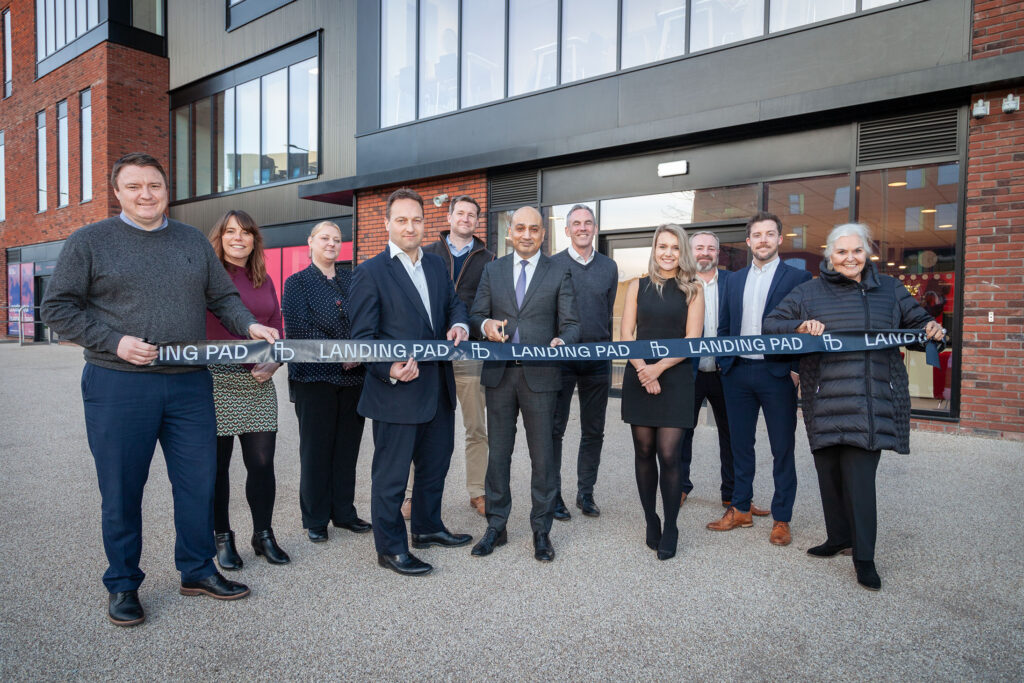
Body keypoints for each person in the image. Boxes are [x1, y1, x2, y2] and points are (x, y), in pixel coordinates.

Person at [40, 152, 280, 627]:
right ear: (118, 192)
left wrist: (249, 325)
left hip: (190, 385)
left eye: (154, 185)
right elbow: (58, 308)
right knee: (123, 489)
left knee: (197, 484)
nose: (145, 194)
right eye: (134, 186)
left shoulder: (191, 240)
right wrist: (114, 342)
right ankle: (124, 583)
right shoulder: (89, 241)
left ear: (166, 190)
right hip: (118, 384)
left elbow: (223, 298)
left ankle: (196, 570)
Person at [763, 223, 944, 590]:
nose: (850, 258)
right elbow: (771, 325)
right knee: (829, 476)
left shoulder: (890, 290)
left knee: (860, 483)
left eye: (857, 251)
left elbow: (918, 325)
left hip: (870, 400)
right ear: (830, 255)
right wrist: (800, 325)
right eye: (842, 252)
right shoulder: (809, 292)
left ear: (867, 253)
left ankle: (864, 557)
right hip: (824, 397)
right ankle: (838, 537)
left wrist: (932, 330)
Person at [349, 188, 473, 577]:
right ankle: (390, 548)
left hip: (437, 389)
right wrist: (388, 368)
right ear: (387, 224)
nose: (409, 226)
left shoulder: (437, 267)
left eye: (416, 219)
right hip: (396, 392)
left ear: (425, 223)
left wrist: (458, 323)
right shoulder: (369, 273)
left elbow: (453, 305)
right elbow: (361, 340)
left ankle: (427, 527)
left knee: (435, 466)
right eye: (401, 219)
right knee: (391, 476)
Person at [468, 206, 580, 562]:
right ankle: (496, 527)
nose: (527, 234)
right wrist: (485, 326)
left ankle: (541, 531)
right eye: (520, 228)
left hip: (541, 376)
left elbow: (572, 324)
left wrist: (563, 342)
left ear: (543, 234)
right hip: (500, 375)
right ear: (510, 232)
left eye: (534, 229)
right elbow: (476, 314)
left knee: (543, 458)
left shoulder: (558, 271)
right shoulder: (493, 269)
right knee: (498, 455)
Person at [707, 212, 811, 546]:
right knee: (740, 446)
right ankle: (740, 508)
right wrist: (726, 363)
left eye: (770, 234)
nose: (763, 240)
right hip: (737, 374)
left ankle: (782, 518)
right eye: (756, 234)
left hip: (777, 373)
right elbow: (725, 326)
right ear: (748, 241)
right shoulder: (733, 280)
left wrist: (796, 369)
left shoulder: (798, 278)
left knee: (782, 447)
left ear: (780, 239)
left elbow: (806, 324)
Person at [402, 194, 495, 519]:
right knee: (423, 425)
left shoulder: (489, 260)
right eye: (461, 213)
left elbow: (489, 306)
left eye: (472, 215)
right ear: (450, 217)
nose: (466, 219)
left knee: (475, 427)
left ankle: (478, 491)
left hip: (469, 352)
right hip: (431, 354)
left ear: (476, 221)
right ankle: (413, 496)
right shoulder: (426, 253)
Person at [205, 210, 289, 569]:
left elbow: (276, 326)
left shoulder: (263, 278)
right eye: (230, 231)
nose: (238, 238)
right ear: (219, 237)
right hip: (215, 379)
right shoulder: (208, 276)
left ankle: (263, 535)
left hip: (258, 380)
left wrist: (275, 361)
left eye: (246, 232)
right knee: (217, 466)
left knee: (262, 462)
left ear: (255, 239)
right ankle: (222, 538)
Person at [282, 221, 369, 544]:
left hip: (353, 377)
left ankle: (344, 512)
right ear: (311, 242)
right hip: (314, 377)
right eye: (325, 238)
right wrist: (340, 353)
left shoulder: (352, 278)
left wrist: (359, 350)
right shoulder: (297, 283)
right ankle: (316, 518)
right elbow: (299, 330)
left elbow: (366, 317)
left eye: (336, 239)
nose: (331, 244)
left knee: (347, 449)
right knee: (316, 450)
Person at [620, 225, 704, 560]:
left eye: (674, 247)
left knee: (669, 455)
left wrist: (658, 369)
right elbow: (627, 334)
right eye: (661, 246)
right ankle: (650, 518)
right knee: (644, 450)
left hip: (675, 375)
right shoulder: (636, 286)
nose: (667, 253)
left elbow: (692, 341)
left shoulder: (693, 289)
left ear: (682, 251)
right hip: (639, 373)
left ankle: (671, 525)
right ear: (654, 249)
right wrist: (643, 369)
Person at [550, 204, 618, 519]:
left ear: (594, 228)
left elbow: (607, 310)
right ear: (567, 230)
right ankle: (554, 496)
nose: (582, 228)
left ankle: (585, 494)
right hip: (561, 359)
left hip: (598, 358)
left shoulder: (609, 267)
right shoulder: (552, 265)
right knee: (555, 429)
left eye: (587, 223)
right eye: (576, 223)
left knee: (594, 430)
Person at [678, 231, 740, 510]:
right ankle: (679, 487)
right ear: (690, 252)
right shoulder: (678, 284)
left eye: (711, 248)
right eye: (699, 247)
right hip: (687, 372)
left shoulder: (734, 282)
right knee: (681, 432)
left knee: (733, 435)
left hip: (726, 371)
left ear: (719, 253)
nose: (705, 252)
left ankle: (733, 494)